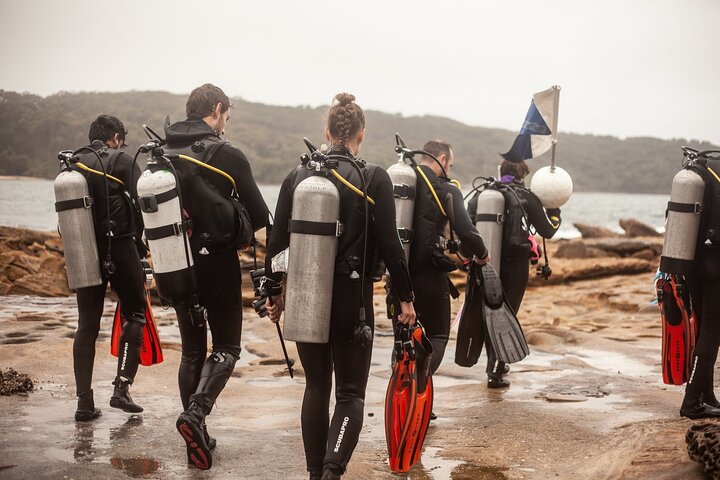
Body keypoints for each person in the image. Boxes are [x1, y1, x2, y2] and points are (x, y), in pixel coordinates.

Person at [264, 93, 416, 480]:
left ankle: (316, 474)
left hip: (304, 294)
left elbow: (276, 242)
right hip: (352, 298)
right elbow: (391, 246)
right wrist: (406, 300)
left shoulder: (298, 177)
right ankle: (333, 472)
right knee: (350, 393)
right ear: (360, 135)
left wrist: (274, 293)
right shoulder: (373, 177)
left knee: (316, 386)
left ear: (326, 132)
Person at [163, 84, 271, 469]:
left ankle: (198, 435)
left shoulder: (162, 151)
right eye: (227, 114)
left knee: (192, 350)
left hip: (174, 261)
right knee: (226, 345)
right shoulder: (225, 153)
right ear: (219, 109)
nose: (226, 121)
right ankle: (195, 416)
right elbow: (260, 216)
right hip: (216, 263)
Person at [402, 140, 489, 413]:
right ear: (441, 158)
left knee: (404, 340)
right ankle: (420, 391)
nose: (449, 170)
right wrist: (482, 254)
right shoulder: (446, 189)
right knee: (437, 337)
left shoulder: (402, 182)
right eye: (449, 165)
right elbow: (466, 229)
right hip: (429, 274)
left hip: (400, 274)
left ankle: (404, 399)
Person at [72, 115, 147, 421]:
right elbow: (145, 202)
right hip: (119, 246)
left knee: (87, 323)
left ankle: (84, 403)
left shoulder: (73, 164)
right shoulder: (122, 160)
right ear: (115, 137)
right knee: (136, 313)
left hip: (83, 249)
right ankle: (121, 388)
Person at [467, 159, 561, 387]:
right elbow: (548, 230)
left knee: (490, 309)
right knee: (508, 312)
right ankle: (496, 371)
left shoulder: (484, 195)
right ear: (523, 175)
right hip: (515, 265)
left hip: (485, 263)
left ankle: (494, 363)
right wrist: (555, 211)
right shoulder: (526, 197)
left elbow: (467, 226)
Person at [679, 151, 720, 419]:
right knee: (711, 333)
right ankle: (691, 401)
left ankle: (707, 395)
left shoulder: (703, 172)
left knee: (704, 326)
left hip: (693, 261)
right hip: (717, 262)